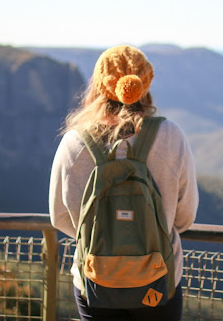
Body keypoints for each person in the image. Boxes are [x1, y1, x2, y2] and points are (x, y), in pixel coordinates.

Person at [49, 44, 199, 321]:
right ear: (145, 83)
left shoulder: (74, 142)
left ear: (97, 84)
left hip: (95, 280)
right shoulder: (171, 135)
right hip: (158, 280)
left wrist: (108, 243)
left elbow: (60, 218)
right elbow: (185, 217)